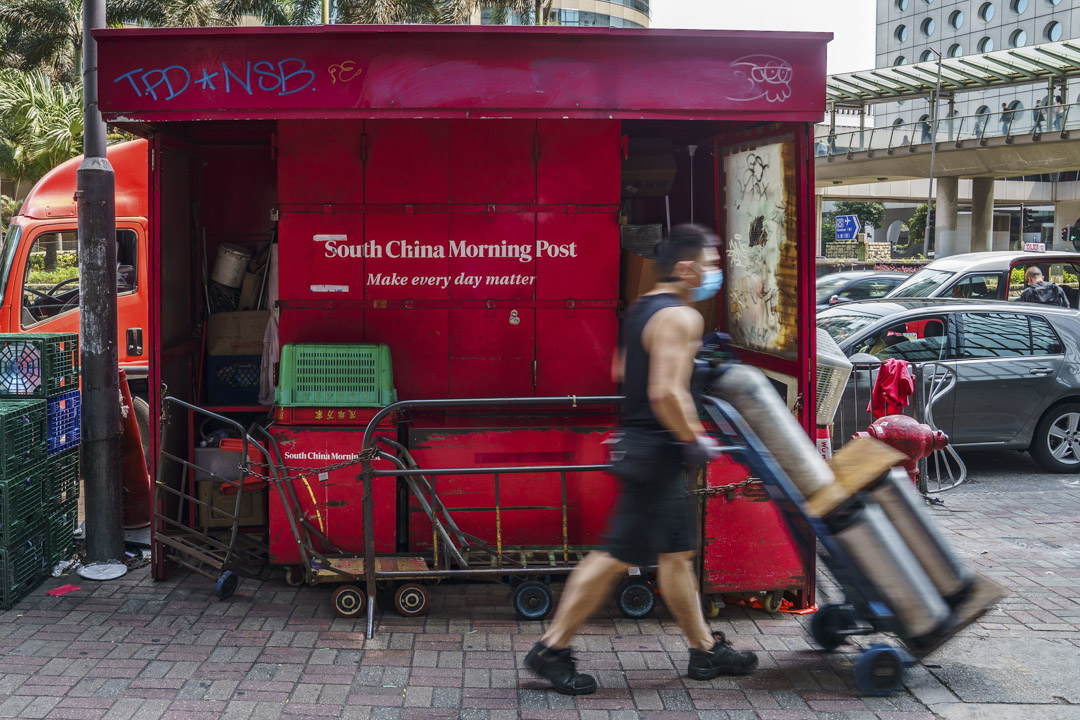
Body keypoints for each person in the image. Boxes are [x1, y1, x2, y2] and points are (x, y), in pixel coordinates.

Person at [523, 225, 758, 695]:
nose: (714, 272)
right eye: (711, 263)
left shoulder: (643, 309)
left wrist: (694, 369)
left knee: (675, 556)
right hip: (657, 453)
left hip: (643, 447)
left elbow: (622, 368)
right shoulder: (680, 317)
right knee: (614, 556)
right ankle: (551, 649)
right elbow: (664, 391)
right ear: (686, 268)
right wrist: (694, 437)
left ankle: (705, 651)